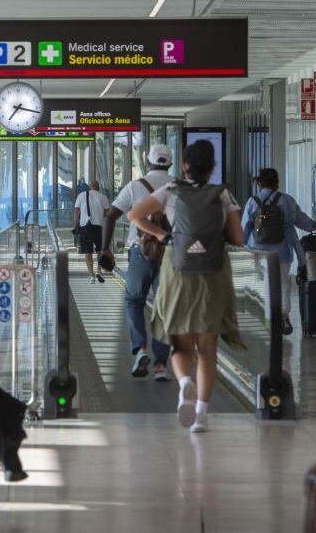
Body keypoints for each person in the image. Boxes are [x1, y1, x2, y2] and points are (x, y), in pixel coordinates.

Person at [127, 139, 246, 433]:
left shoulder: (169, 191)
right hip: (213, 273)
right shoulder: (223, 195)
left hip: (177, 271)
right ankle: (201, 415)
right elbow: (239, 238)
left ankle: (184, 384)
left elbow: (134, 216)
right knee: (207, 347)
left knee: (180, 341)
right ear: (212, 168)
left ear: (184, 166)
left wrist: (163, 236)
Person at [100, 144, 175, 381]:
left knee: (134, 300)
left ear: (148, 161)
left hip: (139, 252)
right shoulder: (179, 187)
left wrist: (106, 249)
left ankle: (141, 348)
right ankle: (161, 365)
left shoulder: (135, 186)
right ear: (170, 164)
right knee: (164, 307)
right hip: (170, 253)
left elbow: (111, 216)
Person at [242, 168, 316, 335]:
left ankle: (265, 318)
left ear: (260, 183)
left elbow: (245, 228)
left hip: (257, 250)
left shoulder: (253, 201)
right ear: (277, 182)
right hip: (282, 251)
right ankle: (284, 317)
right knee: (283, 284)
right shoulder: (286, 200)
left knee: (261, 285)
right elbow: (301, 220)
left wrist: (241, 248)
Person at [74, 178, 110, 284]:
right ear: (98, 188)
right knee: (100, 251)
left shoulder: (81, 196)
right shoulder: (103, 197)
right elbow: (107, 214)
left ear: (89, 187)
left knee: (88, 252)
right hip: (99, 227)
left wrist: (76, 226)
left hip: (85, 227)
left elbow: (76, 212)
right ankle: (99, 271)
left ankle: (91, 276)